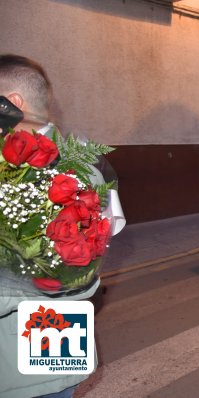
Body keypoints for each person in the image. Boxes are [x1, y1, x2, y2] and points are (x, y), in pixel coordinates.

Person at [0, 54, 109, 398]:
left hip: (30, 355)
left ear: (12, 104)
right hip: (54, 345)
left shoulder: (55, 172)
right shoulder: (88, 168)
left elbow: (74, 278)